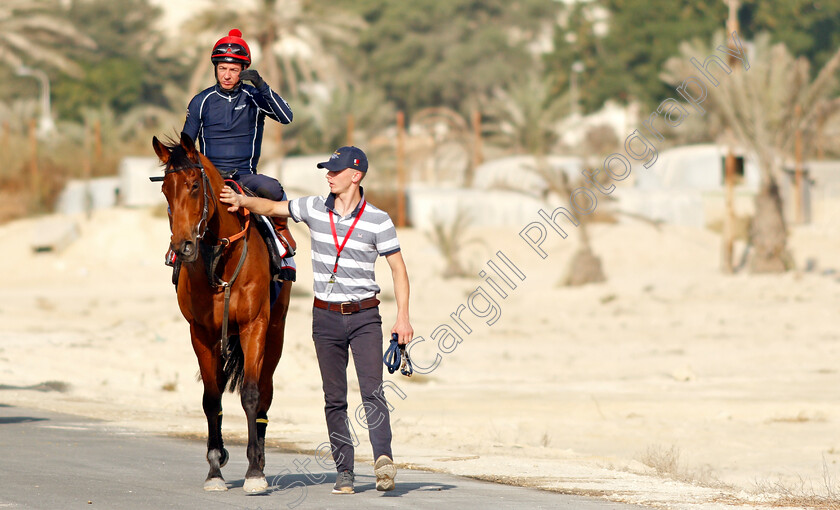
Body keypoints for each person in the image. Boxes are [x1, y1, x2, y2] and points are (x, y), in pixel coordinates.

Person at [219, 146, 413, 494]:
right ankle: (345, 472)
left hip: (365, 315)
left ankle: (383, 458)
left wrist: (403, 318)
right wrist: (242, 201)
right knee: (334, 397)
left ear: (356, 175)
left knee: (372, 392)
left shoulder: (378, 219)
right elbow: (273, 207)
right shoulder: (312, 207)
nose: (328, 175)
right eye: (328, 170)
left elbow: (398, 269)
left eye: (335, 171)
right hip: (324, 317)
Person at [167, 28, 296, 275]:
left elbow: (286, 117)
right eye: (222, 68)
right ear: (215, 68)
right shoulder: (200, 101)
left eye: (234, 70)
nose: (227, 75)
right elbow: (187, 146)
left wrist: (261, 85)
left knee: (274, 189)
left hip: (244, 175)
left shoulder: (254, 97)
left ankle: (281, 239)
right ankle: (176, 244)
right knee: (178, 194)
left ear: (243, 70)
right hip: (209, 177)